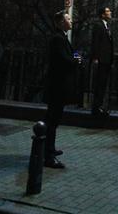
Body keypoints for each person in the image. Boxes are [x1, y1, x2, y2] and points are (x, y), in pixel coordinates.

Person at [44, 11, 79, 169]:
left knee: (54, 119)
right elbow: (64, 59)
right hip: (57, 86)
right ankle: (48, 155)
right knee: (53, 119)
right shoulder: (58, 38)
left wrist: (76, 57)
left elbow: (70, 54)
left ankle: (50, 148)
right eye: (68, 18)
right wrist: (76, 61)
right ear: (60, 22)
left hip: (58, 85)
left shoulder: (61, 37)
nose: (71, 20)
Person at [89, 6, 113, 117]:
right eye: (107, 11)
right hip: (102, 60)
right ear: (103, 14)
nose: (110, 12)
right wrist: (96, 58)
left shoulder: (106, 25)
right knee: (100, 84)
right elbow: (96, 42)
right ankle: (97, 107)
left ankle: (100, 106)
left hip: (106, 60)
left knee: (103, 84)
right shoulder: (98, 25)